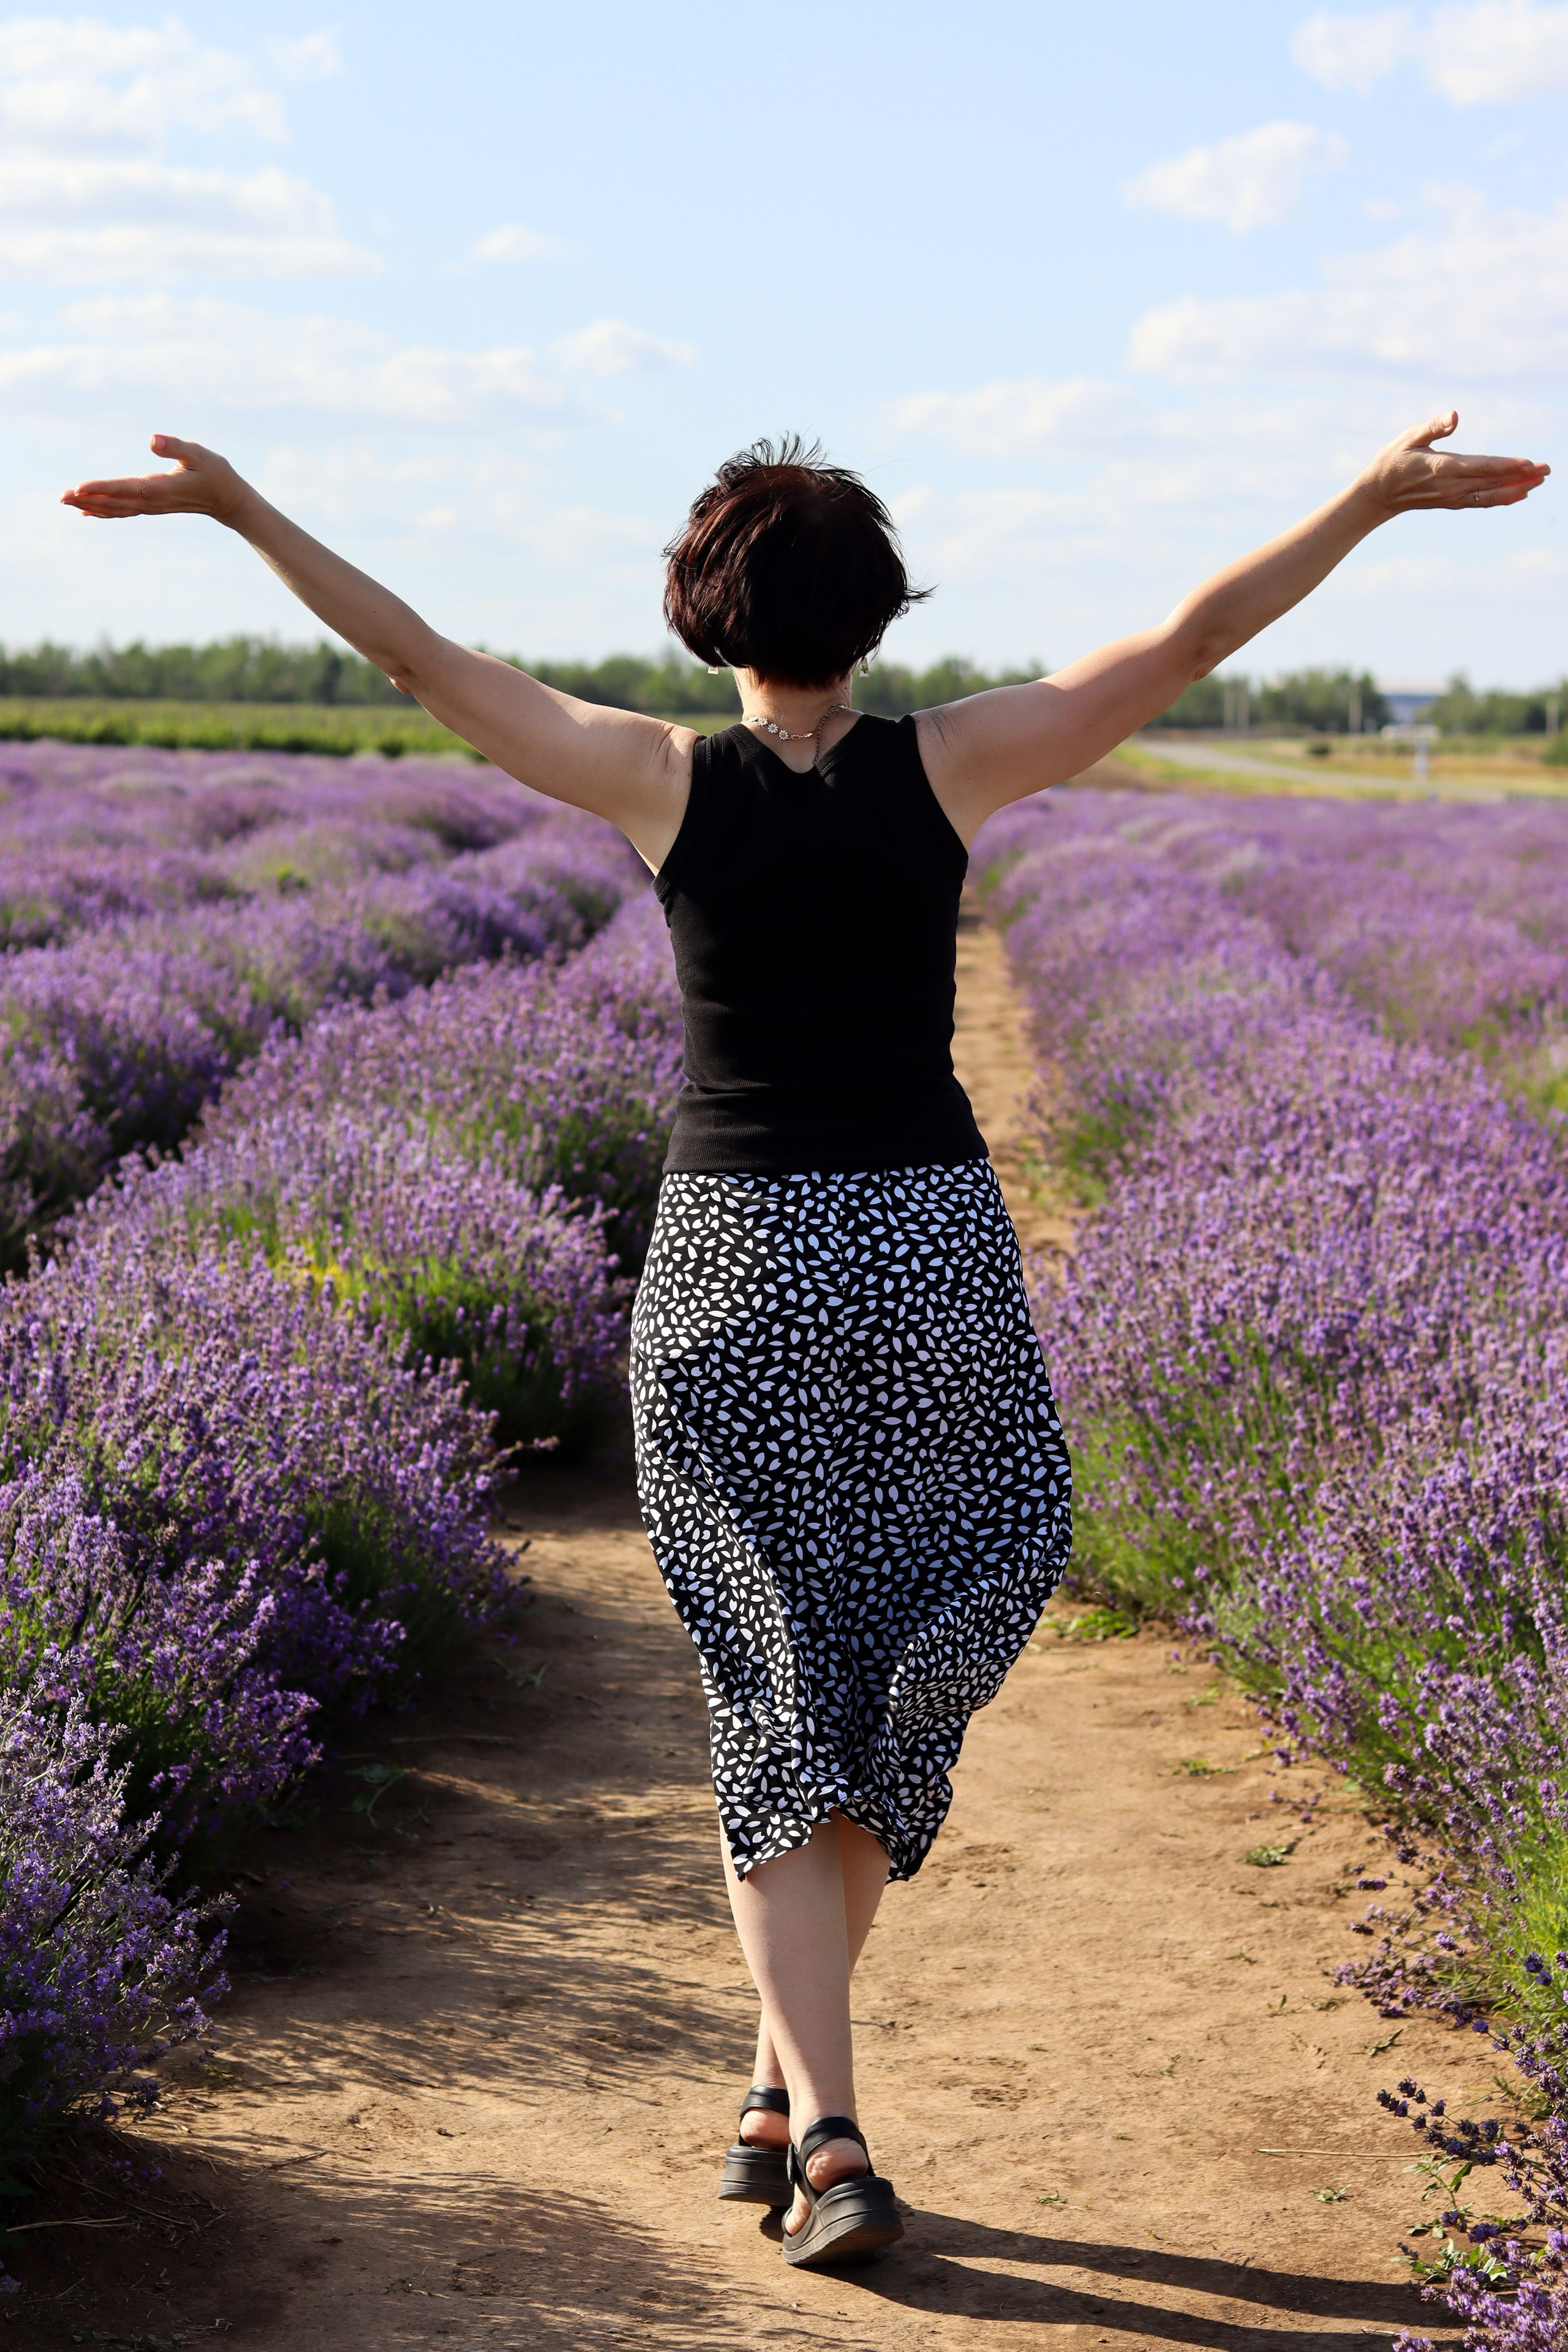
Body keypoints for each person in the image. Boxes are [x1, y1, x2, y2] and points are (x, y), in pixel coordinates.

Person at [62, 415, 1548, 2269]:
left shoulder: (658, 775)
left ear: (706, 611)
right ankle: (833, 2133)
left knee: (783, 1688)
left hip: (732, 1264)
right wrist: (1375, 498)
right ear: (876, 607)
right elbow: (1186, 640)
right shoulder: (955, 762)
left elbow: (419, 664)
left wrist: (238, 507)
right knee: (937, 1616)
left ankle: (785, 2085)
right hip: (927, 1251)